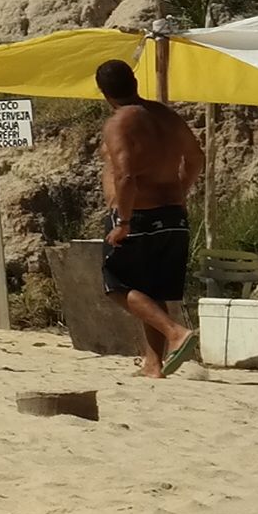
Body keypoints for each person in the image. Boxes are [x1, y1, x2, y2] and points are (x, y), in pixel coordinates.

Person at [96, 54, 206, 377]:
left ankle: (176, 333)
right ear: (135, 83)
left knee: (115, 285)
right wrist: (179, 190)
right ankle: (153, 364)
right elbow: (196, 158)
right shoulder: (166, 116)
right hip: (173, 214)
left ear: (104, 93)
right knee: (152, 291)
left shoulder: (119, 123)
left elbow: (126, 176)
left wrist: (124, 222)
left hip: (138, 217)